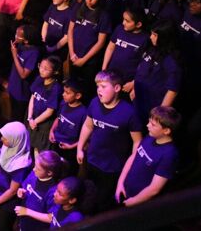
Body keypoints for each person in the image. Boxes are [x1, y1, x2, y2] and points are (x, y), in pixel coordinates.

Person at [77, 70, 143, 212]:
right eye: (98, 86)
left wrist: (131, 165)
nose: (99, 90)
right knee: (87, 195)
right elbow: (88, 125)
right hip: (92, 160)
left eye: (103, 86)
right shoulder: (94, 103)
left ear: (117, 88)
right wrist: (80, 148)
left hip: (112, 168)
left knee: (104, 202)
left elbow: (137, 142)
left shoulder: (129, 112)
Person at [116, 106, 181, 206]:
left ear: (166, 131)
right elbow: (133, 157)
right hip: (126, 191)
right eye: (149, 122)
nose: (147, 125)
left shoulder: (169, 154)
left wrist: (132, 202)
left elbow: (154, 188)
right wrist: (120, 183)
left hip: (139, 202)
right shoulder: (150, 137)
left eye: (153, 124)